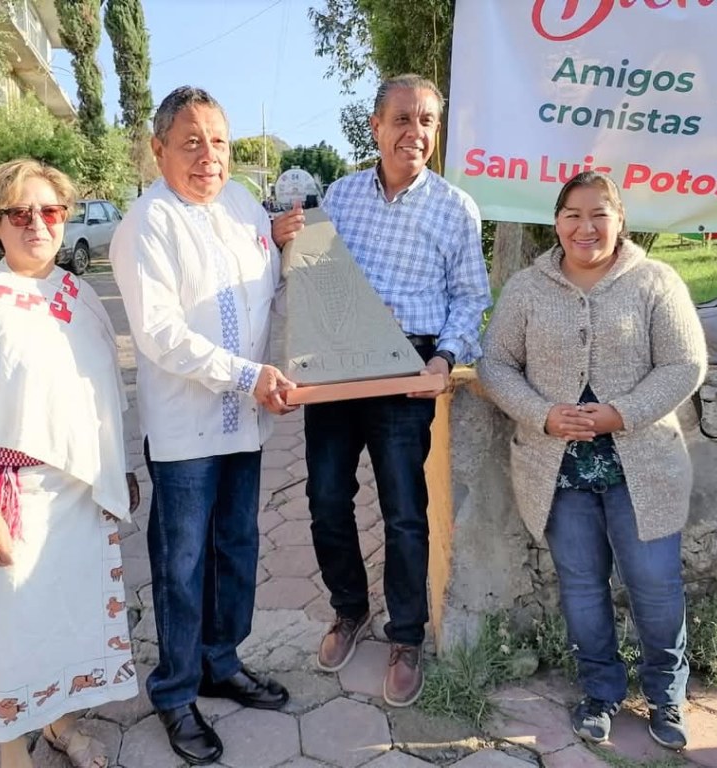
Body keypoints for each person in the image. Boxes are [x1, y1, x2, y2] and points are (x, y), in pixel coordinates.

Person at [274, 73, 491, 707]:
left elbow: (470, 299)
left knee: (403, 511)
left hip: (408, 376)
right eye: (401, 119)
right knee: (325, 500)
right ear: (375, 126)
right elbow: (307, 281)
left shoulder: (455, 208)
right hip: (338, 372)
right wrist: (284, 243)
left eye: (426, 121)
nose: (414, 132)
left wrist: (445, 359)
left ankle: (405, 636)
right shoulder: (338, 197)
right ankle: (349, 610)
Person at [0, 159, 140, 768]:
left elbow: (104, 397)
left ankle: (62, 725)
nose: (37, 223)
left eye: (50, 211)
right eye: (21, 213)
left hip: (78, 499)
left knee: (69, 623)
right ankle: (14, 750)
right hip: (12, 497)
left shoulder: (79, 295)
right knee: (13, 632)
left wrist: (119, 469)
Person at [478, 171, 706, 750]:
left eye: (599, 213)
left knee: (655, 585)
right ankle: (601, 691)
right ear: (556, 222)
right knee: (582, 588)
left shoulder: (656, 281)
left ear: (621, 219)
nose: (585, 226)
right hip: (559, 473)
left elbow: (685, 364)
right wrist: (543, 415)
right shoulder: (529, 289)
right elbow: (495, 364)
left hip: (644, 469)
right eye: (572, 214)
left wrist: (619, 413)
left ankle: (666, 694)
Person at [111, 86, 297, 766]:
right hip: (188, 430)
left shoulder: (245, 204)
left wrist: (286, 244)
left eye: (218, 141)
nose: (208, 156)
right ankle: (175, 690)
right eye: (190, 142)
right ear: (159, 150)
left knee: (237, 548)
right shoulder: (146, 223)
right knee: (182, 564)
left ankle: (222, 662)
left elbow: (275, 283)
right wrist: (252, 377)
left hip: (245, 421)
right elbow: (160, 336)